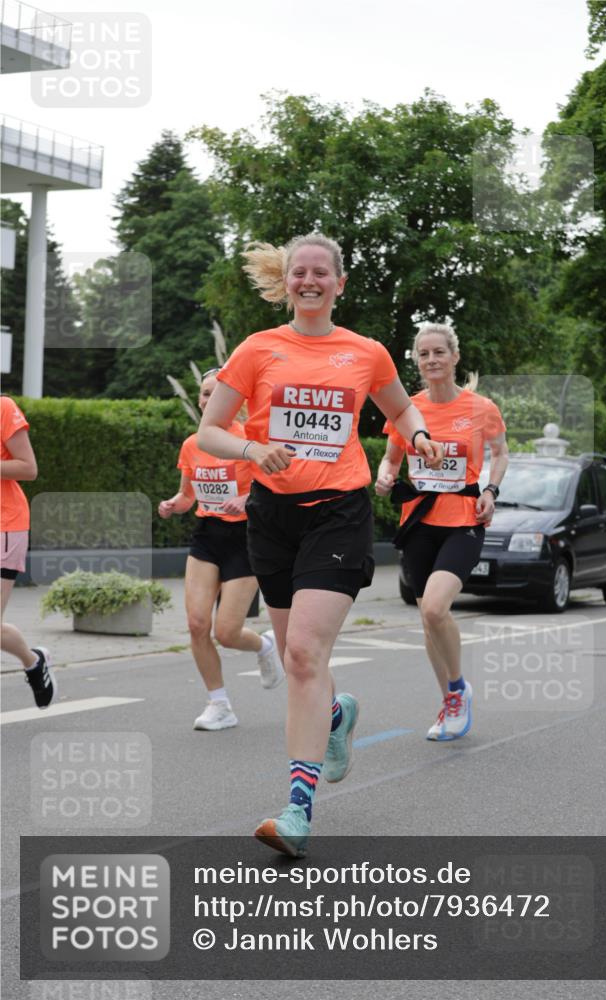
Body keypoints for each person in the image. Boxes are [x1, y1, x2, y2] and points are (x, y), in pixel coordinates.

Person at [198, 233, 443, 857]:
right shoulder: (258, 350)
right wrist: (253, 448)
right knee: (294, 656)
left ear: (338, 283)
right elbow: (209, 432)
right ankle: (335, 717)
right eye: (299, 273)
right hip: (271, 517)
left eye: (320, 273)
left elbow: (400, 410)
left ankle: (297, 808)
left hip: (338, 512)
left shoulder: (365, 353)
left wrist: (418, 438)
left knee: (304, 654)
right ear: (289, 283)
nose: (309, 281)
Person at [376, 323, 508, 741]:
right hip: (418, 521)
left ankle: (456, 690)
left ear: (454, 357)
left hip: (464, 520)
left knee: (435, 608)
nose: (431, 360)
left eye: (438, 353)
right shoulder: (406, 409)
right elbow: (391, 460)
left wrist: (490, 489)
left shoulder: (481, 408)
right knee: (428, 620)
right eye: (423, 354)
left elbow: (501, 453)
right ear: (417, 362)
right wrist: (384, 478)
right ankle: (450, 699)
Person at [158, 369, 284, 732]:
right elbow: (187, 494)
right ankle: (219, 704)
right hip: (208, 535)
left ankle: (263, 646)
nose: (208, 399)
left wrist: (246, 500)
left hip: (246, 538)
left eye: (217, 393)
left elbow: (275, 488)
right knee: (197, 624)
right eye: (204, 393)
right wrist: (173, 504)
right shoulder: (192, 444)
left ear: (236, 401)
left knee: (226, 632)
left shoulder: (251, 439)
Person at [0, 395, 56, 708]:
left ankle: (33, 662)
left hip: (4, 524)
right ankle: (33, 660)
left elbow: (28, 467)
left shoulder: (4, 408)